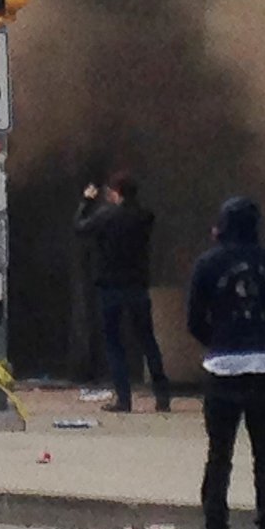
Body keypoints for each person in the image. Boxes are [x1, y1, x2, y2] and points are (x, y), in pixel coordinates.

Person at [184, 195, 265, 529]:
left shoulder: (207, 264)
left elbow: (193, 319)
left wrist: (218, 342)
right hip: (262, 369)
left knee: (219, 455)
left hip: (221, 369)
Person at [76, 171, 171, 413]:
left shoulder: (106, 216)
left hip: (110, 286)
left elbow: (80, 228)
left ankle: (124, 399)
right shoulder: (145, 216)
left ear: (115, 193)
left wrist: (86, 201)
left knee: (114, 343)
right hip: (137, 285)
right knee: (147, 341)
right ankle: (162, 397)